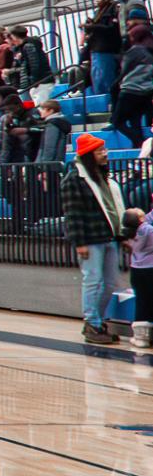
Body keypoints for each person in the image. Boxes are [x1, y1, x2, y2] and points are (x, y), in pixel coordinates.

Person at [63, 133, 130, 345]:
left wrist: (123, 234)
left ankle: (97, 320)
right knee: (93, 281)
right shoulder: (74, 180)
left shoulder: (104, 178)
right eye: (100, 151)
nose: (105, 154)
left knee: (110, 283)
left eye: (104, 150)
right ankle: (92, 322)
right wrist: (79, 242)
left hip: (109, 236)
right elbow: (73, 213)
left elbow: (115, 208)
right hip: (90, 238)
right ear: (88, 155)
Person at [113, 25, 153, 148]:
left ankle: (139, 142)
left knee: (117, 122)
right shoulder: (149, 54)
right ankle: (138, 146)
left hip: (130, 90)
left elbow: (124, 70)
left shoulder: (134, 51)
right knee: (135, 121)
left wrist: (115, 85)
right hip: (145, 92)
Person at [125, 210, 153, 348]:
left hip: (136, 269)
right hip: (150, 268)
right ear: (141, 218)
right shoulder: (148, 230)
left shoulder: (130, 233)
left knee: (141, 300)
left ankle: (141, 337)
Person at [10, 26, 56, 106]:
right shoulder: (25, 46)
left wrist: (33, 81)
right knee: (38, 104)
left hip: (41, 80)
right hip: (38, 81)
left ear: (15, 36)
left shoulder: (28, 46)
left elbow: (34, 64)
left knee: (41, 104)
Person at [87, 0, 123, 95]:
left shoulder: (113, 9)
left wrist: (93, 27)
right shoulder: (98, 12)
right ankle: (100, 97)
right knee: (97, 77)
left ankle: (109, 99)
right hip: (95, 48)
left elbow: (112, 28)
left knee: (106, 76)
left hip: (106, 48)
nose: (97, 1)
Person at [31, 100, 72, 165]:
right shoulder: (59, 123)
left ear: (51, 111)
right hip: (57, 162)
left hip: (50, 166)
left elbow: (49, 147)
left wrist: (45, 166)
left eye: (43, 109)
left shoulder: (52, 125)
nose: (40, 111)